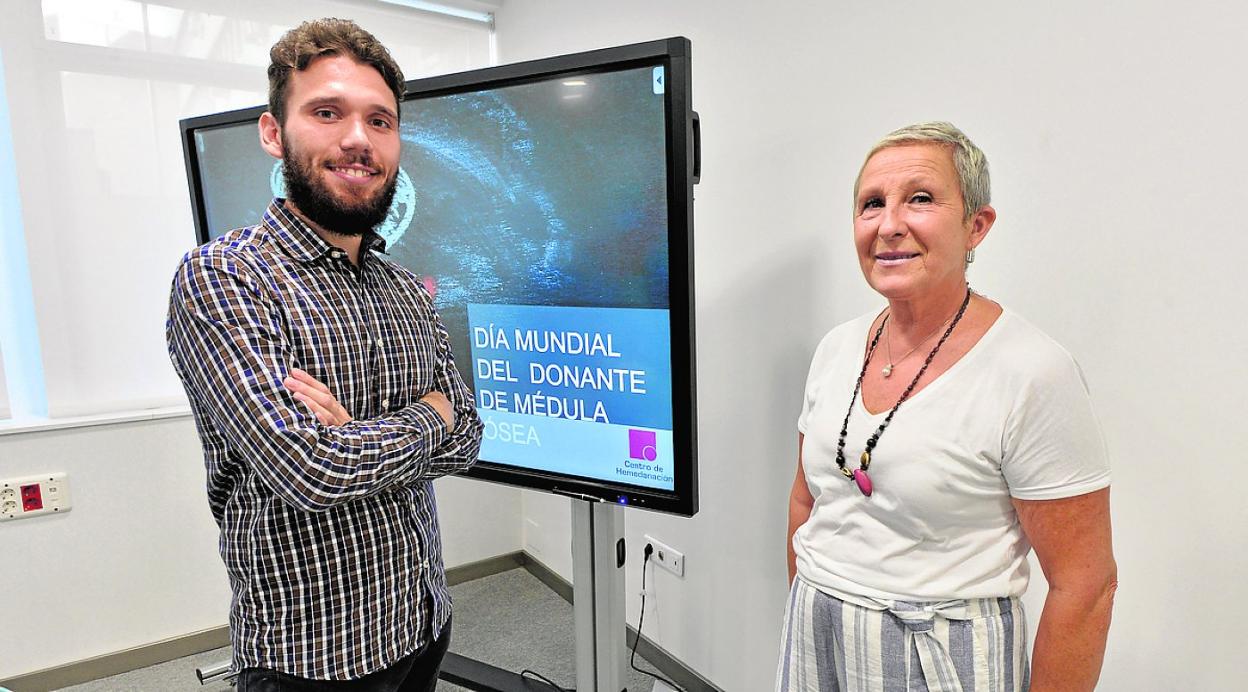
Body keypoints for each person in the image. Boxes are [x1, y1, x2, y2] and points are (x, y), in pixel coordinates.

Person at [166, 18, 482, 691]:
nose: (357, 139)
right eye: (327, 112)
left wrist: (356, 436)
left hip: (423, 622)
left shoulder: (405, 288)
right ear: (273, 132)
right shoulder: (224, 279)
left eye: (380, 120)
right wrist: (427, 417)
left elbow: (471, 436)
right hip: (312, 661)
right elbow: (308, 472)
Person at [779, 122, 1116, 691]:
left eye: (920, 199)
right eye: (871, 204)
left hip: (940, 656)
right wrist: (808, 614)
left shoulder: (1031, 372)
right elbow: (806, 499)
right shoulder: (836, 349)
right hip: (816, 634)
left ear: (975, 226)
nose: (889, 225)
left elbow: (1085, 585)